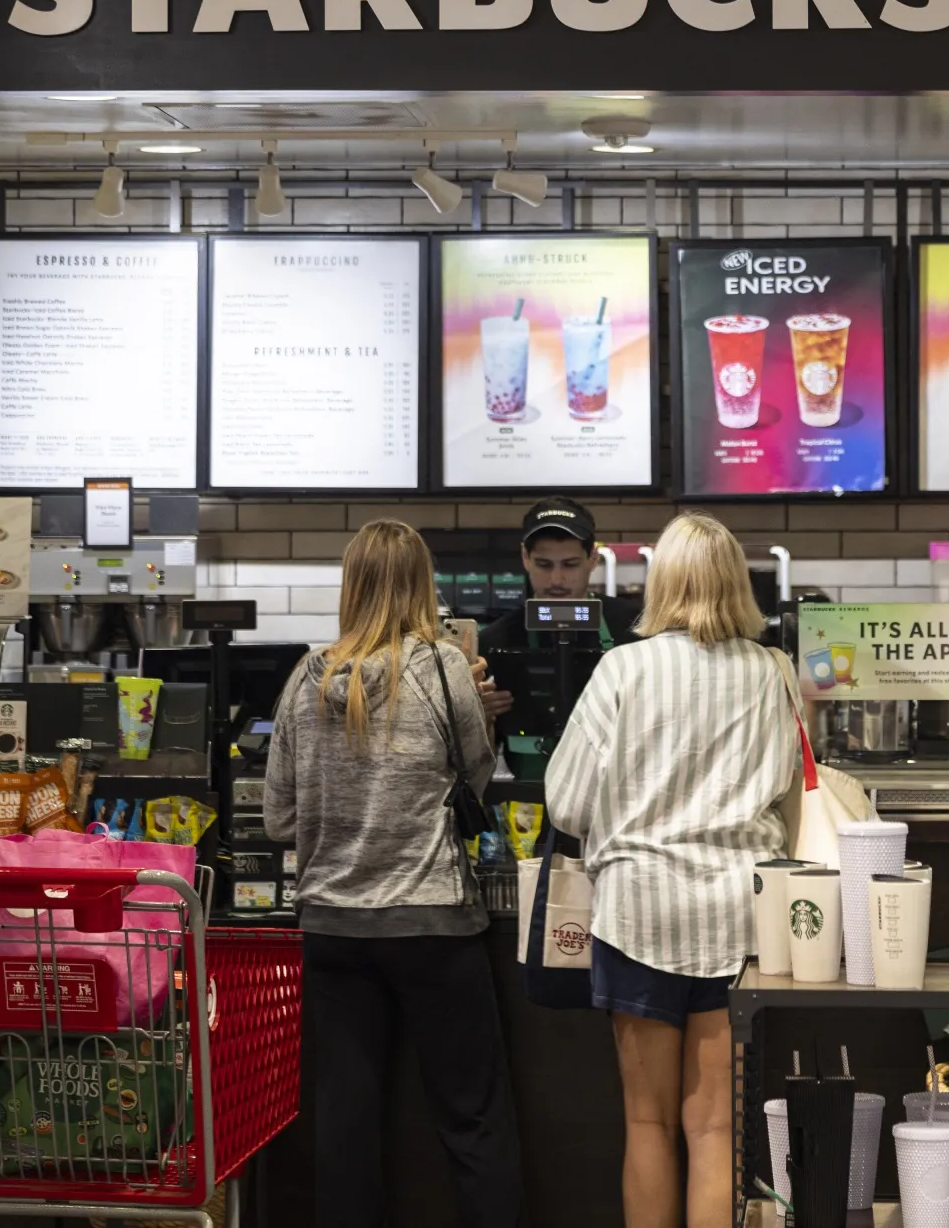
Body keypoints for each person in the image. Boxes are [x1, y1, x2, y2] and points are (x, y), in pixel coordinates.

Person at [263, 518, 518, 1228]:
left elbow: (279, 821)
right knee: (473, 1119)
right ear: (423, 587)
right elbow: (474, 780)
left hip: (334, 928)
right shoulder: (442, 669)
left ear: (351, 586)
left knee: (346, 1121)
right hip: (433, 922)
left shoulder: (305, 680)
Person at [547, 513, 799, 1228]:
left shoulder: (622, 668)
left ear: (662, 584)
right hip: (739, 915)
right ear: (735, 583)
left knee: (648, 1126)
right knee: (717, 1129)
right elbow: (787, 785)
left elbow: (566, 801)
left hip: (637, 913)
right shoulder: (771, 671)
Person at [477, 497, 639, 780]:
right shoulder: (494, 640)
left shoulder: (634, 629)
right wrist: (481, 718)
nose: (556, 579)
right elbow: (478, 761)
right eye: (544, 564)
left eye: (570, 564)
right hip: (528, 809)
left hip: (615, 802)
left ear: (593, 558)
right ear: (525, 558)